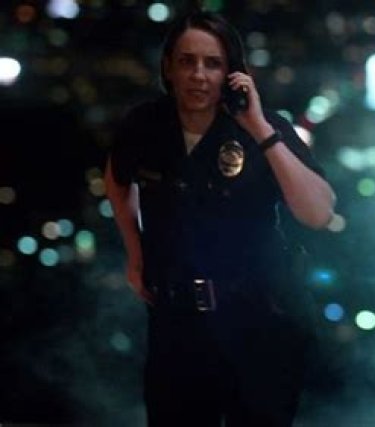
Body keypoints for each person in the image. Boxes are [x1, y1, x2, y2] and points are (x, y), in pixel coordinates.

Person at [104, 10, 336, 426]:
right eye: (187, 61)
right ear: (168, 68)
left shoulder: (264, 127)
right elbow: (116, 179)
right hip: (178, 322)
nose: (198, 75)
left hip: (259, 318)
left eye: (212, 64)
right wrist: (135, 254)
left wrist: (259, 127)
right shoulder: (145, 124)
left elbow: (318, 213)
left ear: (231, 72)